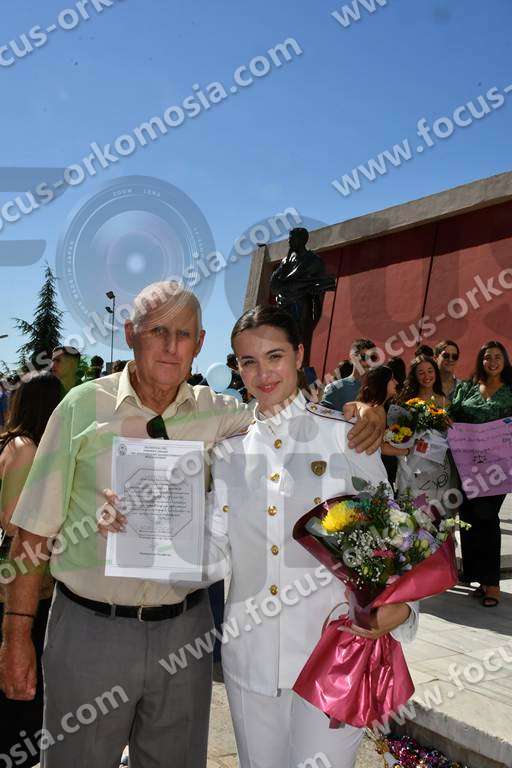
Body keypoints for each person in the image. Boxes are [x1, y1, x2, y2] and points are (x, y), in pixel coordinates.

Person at [0, 282, 384, 768]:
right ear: (130, 333)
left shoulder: (221, 415)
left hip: (183, 634)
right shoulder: (81, 407)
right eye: (156, 331)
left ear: (200, 344)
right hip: (91, 631)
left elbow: (281, 418)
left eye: (183, 334)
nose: (170, 346)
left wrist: (364, 411)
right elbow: (32, 531)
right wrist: (16, 633)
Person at [0, 371, 63, 766]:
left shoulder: (13, 442)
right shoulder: (25, 447)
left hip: (21, 569)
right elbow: (11, 520)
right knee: (23, 677)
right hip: (23, 573)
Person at [450, 341, 512, 608]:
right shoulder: (467, 388)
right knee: (468, 518)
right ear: (481, 361)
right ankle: (478, 579)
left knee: (487, 518)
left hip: (498, 469)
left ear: (505, 360)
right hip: (467, 465)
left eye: (498, 357)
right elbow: (452, 415)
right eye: (488, 357)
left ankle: (493, 583)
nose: (493, 361)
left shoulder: (511, 390)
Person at [321, 339, 380, 411]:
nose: (368, 362)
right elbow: (322, 415)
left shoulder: (378, 391)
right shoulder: (334, 388)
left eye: (372, 358)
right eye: (364, 357)